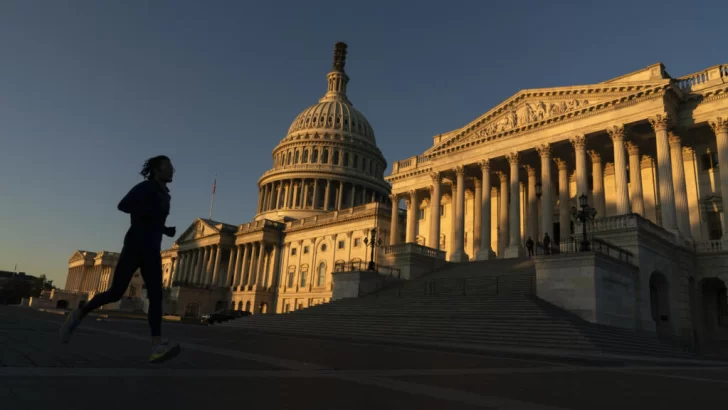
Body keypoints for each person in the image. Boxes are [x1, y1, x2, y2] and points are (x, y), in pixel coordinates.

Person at [60, 155, 181, 364]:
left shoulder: (166, 195)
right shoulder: (145, 187)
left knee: (156, 295)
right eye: (169, 167)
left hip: (152, 249)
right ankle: (80, 313)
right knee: (115, 293)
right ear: (157, 169)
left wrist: (165, 229)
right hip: (135, 245)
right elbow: (123, 205)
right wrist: (150, 214)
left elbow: (152, 221)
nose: (173, 171)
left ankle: (156, 345)